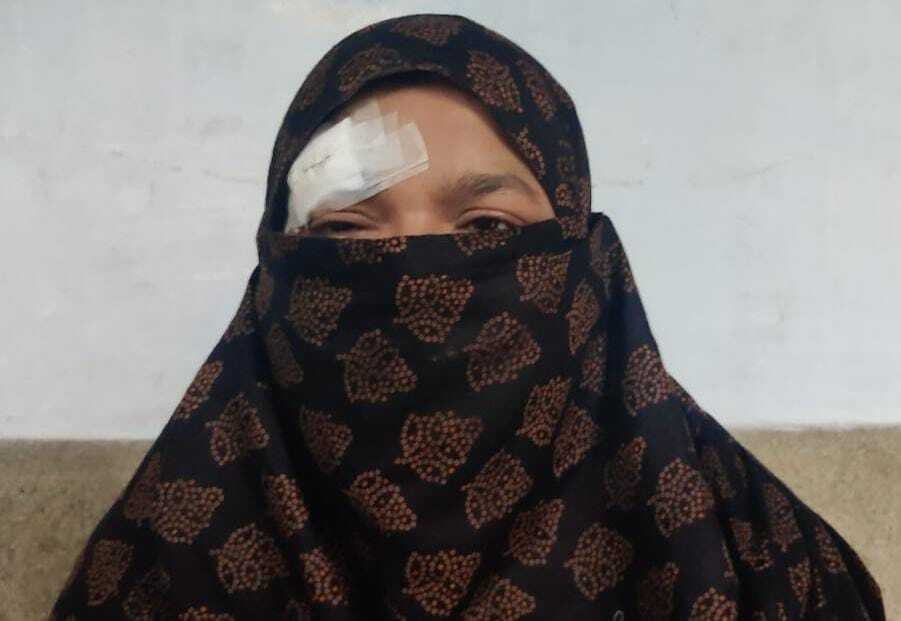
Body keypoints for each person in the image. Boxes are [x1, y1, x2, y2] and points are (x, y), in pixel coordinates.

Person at [49, 13, 885, 620]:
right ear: (276, 267)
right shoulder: (153, 569)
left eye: (486, 229)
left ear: (585, 261)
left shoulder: (767, 567)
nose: (417, 272)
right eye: (345, 230)